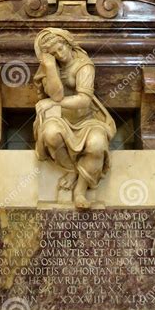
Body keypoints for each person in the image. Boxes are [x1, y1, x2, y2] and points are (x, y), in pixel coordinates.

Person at [33, 28, 116, 208]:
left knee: (97, 144)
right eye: (53, 53)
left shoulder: (84, 65)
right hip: (59, 119)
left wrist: (54, 104)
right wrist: (49, 67)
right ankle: (70, 170)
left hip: (87, 118)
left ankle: (80, 189)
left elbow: (84, 100)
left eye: (60, 48)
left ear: (67, 43)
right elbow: (56, 95)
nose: (59, 55)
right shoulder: (49, 68)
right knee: (50, 134)